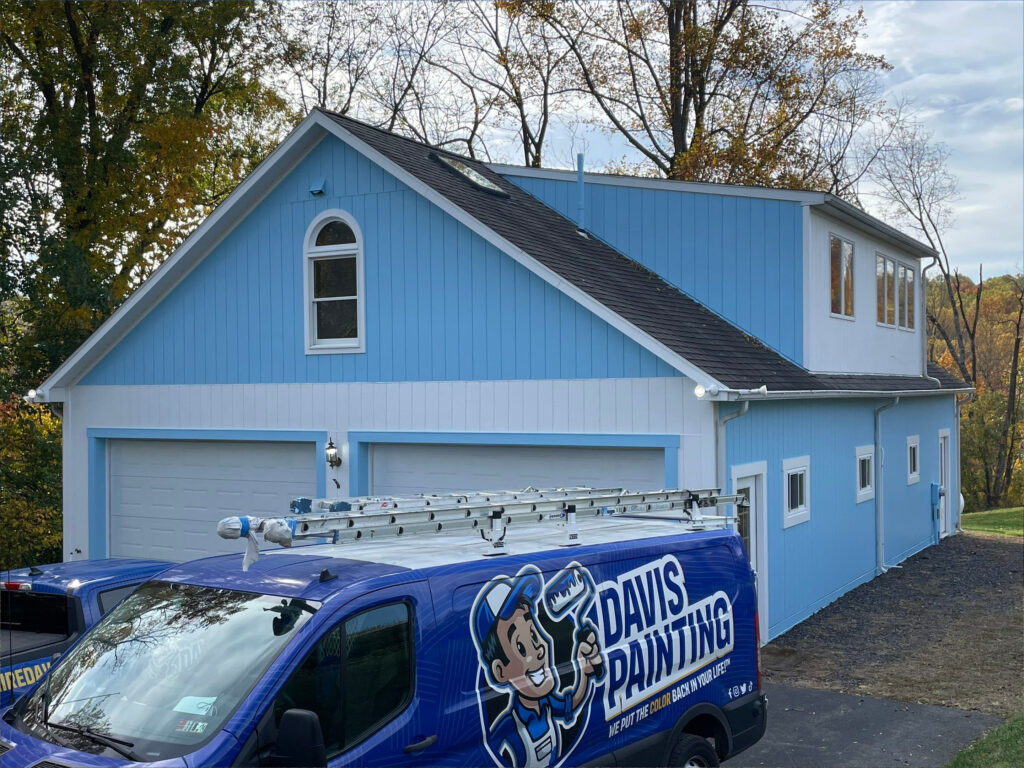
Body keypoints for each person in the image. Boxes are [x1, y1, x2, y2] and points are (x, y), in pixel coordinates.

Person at [472, 566, 603, 768]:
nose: (540, 648)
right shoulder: (506, 733)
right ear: (500, 671)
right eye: (521, 647)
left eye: (534, 635)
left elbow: (571, 704)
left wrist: (584, 672)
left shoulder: (547, 703)